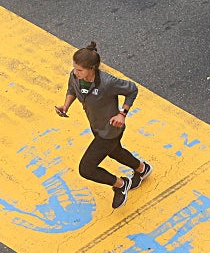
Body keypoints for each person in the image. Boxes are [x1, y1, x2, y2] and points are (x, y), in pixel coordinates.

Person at [54, 41, 151, 209]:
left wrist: (122, 114)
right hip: (97, 127)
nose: (75, 73)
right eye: (75, 68)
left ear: (92, 68)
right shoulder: (75, 76)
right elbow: (72, 88)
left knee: (86, 168)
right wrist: (65, 105)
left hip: (111, 130)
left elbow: (132, 90)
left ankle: (120, 185)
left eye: (79, 70)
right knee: (114, 152)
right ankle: (142, 169)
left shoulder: (107, 83)